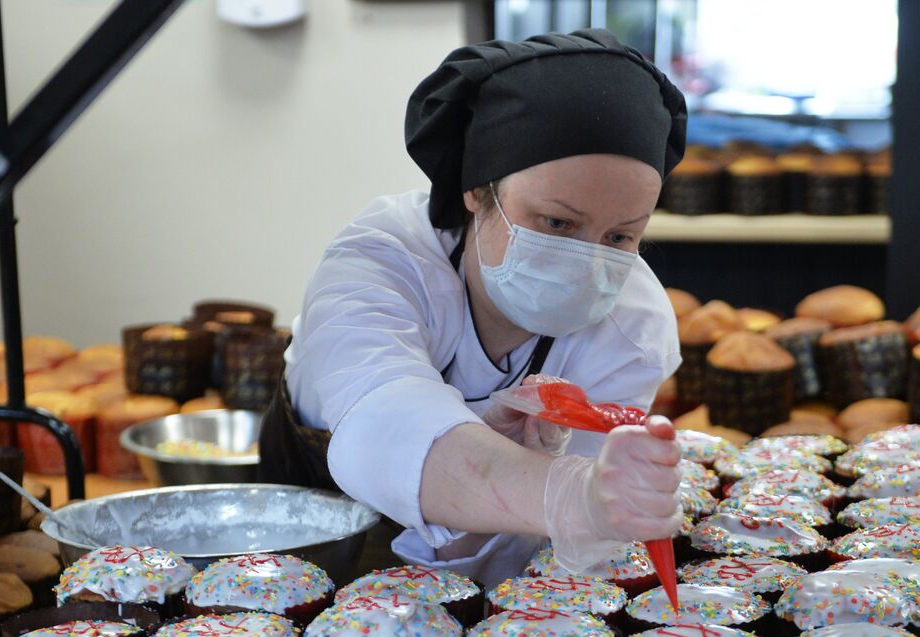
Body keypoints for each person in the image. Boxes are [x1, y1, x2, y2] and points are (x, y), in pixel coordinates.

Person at [260, 29, 688, 587]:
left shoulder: (631, 325)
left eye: (620, 237)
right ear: (475, 189)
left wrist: (589, 498)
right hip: (303, 558)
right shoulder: (383, 260)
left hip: (490, 584)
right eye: (556, 223)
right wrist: (566, 491)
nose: (586, 261)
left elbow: (543, 550)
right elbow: (380, 426)